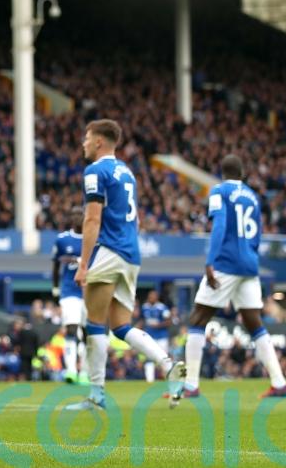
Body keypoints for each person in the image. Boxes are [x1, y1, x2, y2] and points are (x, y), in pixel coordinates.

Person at [68, 120, 185, 411]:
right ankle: (167, 364)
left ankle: (96, 396)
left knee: (93, 323)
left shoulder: (95, 171)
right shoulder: (127, 173)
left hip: (109, 251)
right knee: (121, 326)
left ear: (98, 142)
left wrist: (83, 264)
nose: (83, 144)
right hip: (131, 254)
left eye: (86, 138)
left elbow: (92, 219)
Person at [182, 154, 286, 398]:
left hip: (226, 263)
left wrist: (210, 261)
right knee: (254, 323)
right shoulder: (252, 196)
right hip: (250, 265)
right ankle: (280, 382)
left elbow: (219, 225)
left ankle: (190, 385)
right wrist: (250, 258)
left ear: (222, 172)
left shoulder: (219, 191)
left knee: (197, 318)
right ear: (242, 173)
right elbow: (258, 232)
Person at [51, 206, 88, 384]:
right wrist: (55, 287)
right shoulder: (62, 239)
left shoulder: (94, 238)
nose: (77, 217)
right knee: (72, 328)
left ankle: (85, 371)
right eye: (73, 214)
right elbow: (56, 264)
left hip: (89, 291)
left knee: (89, 333)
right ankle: (71, 370)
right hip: (69, 290)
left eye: (80, 214)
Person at [140, 290, 171, 383]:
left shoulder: (162, 308)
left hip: (161, 337)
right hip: (149, 336)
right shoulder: (144, 307)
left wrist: (158, 325)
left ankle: (167, 377)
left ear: (157, 297)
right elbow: (142, 319)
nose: (152, 298)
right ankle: (149, 380)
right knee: (149, 357)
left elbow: (169, 321)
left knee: (164, 357)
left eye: (154, 296)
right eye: (150, 296)